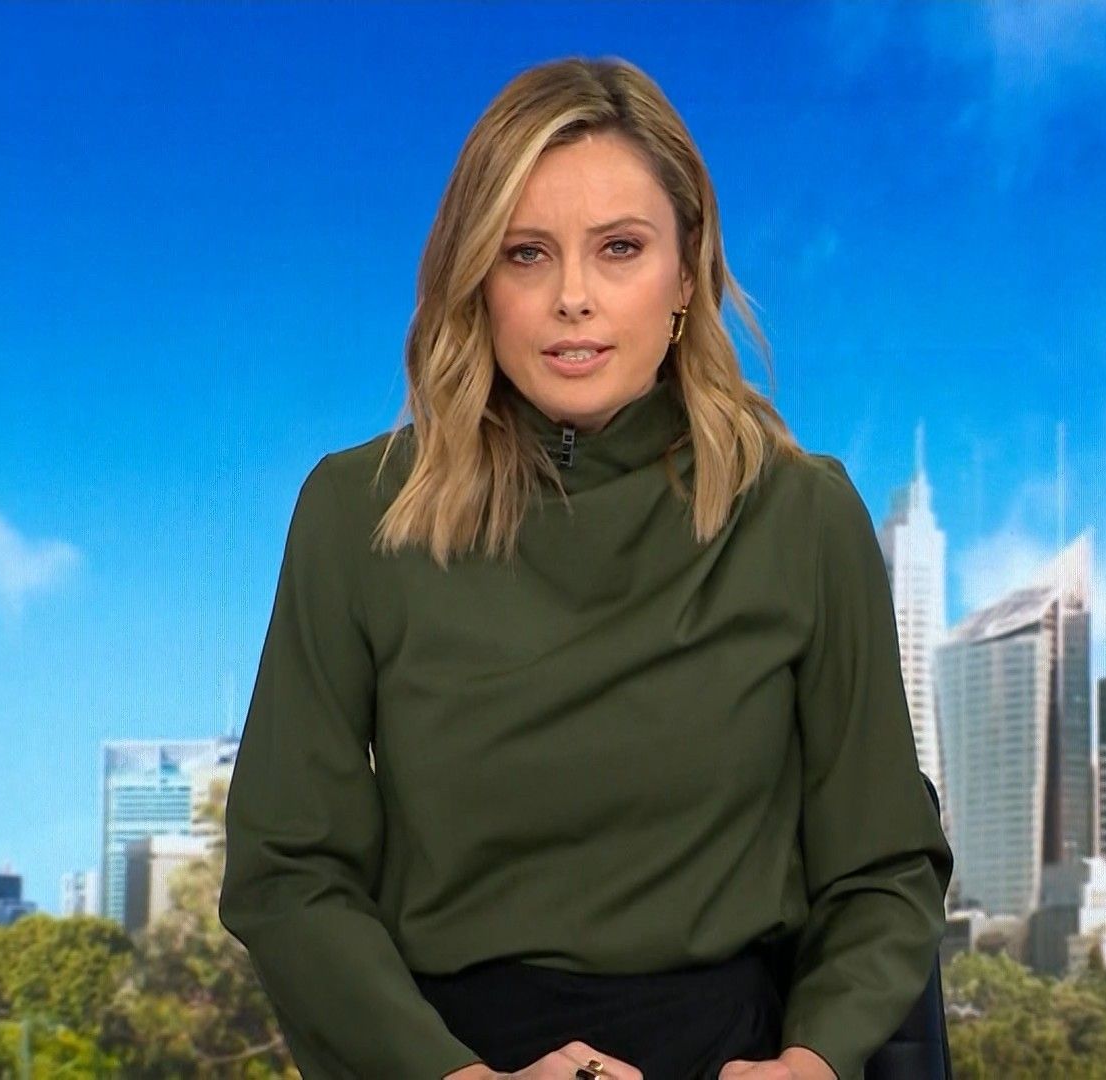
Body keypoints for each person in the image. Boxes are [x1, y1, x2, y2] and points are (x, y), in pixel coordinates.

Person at [218, 55, 952, 1080]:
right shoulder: (356, 513)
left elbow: (882, 867)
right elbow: (288, 872)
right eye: (526, 254)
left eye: (619, 249)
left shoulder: (803, 514)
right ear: (477, 280)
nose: (573, 298)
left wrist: (809, 1064)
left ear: (686, 276)